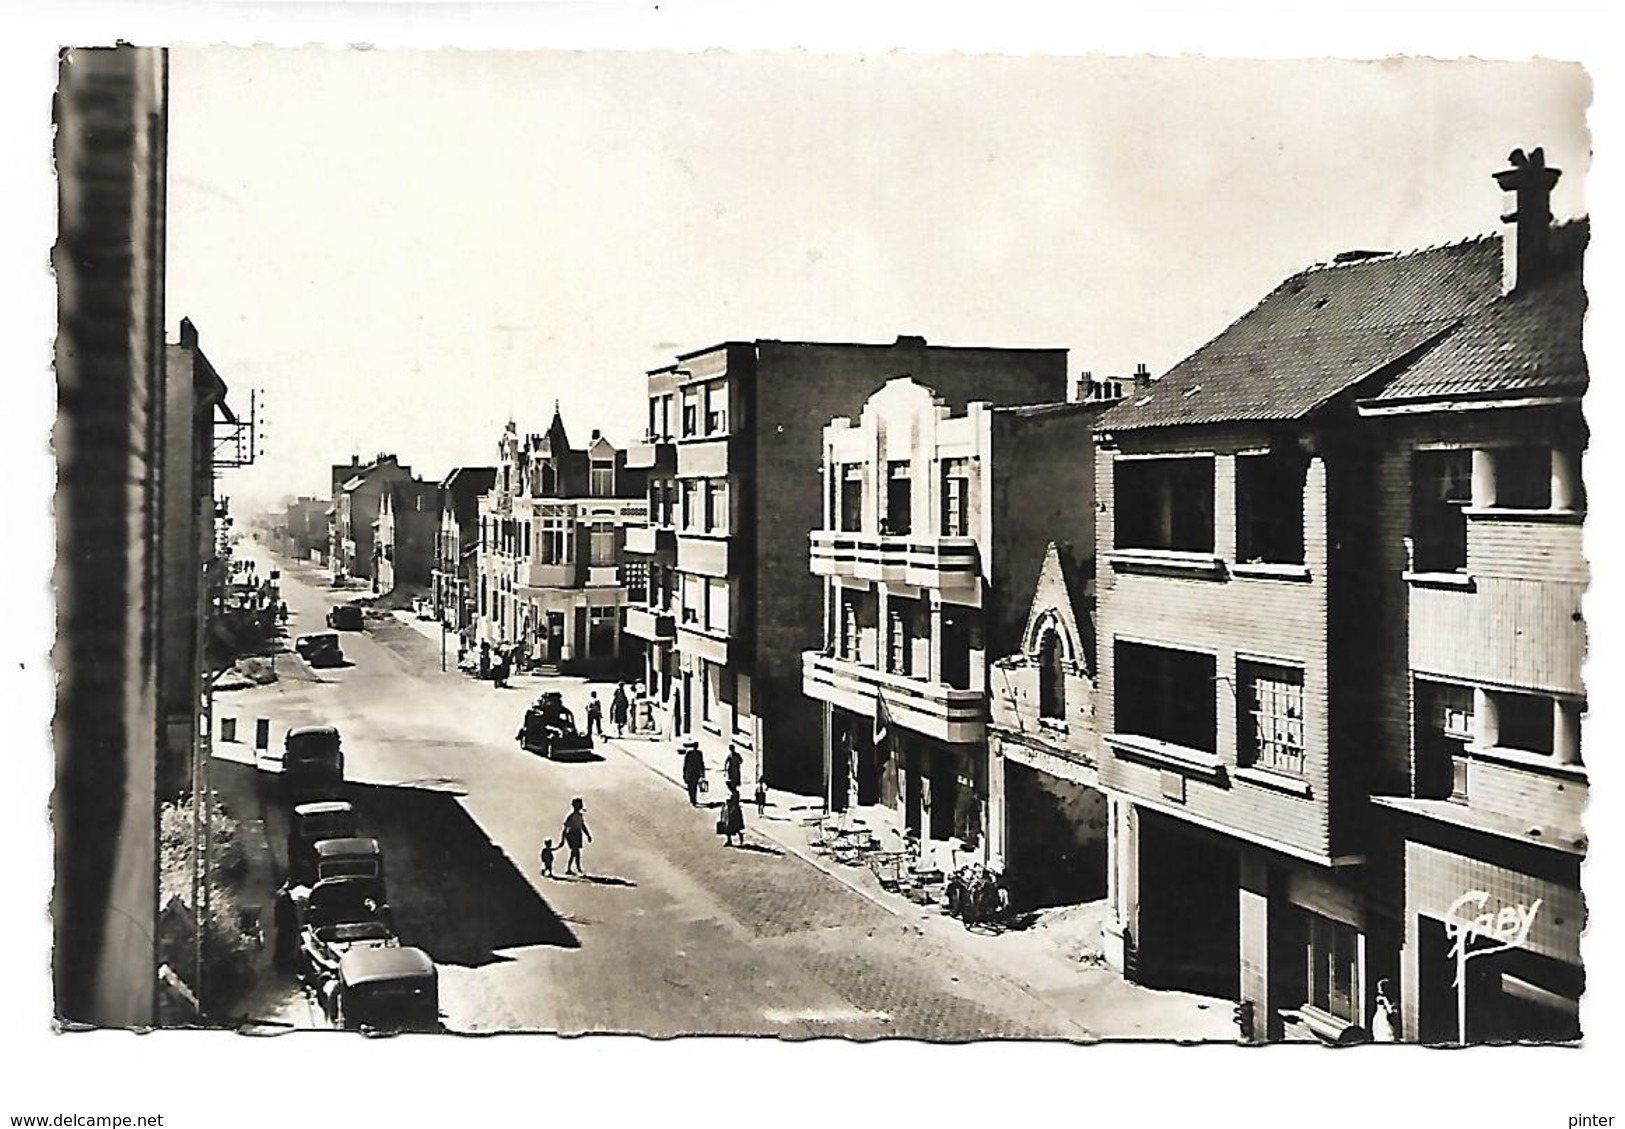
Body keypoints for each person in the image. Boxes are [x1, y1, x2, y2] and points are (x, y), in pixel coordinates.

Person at [560, 798, 591, 876]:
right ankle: (572, 868)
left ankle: (574, 868)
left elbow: (583, 826)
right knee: (574, 851)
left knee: (577, 852)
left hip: (578, 834)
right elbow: (565, 828)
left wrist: (588, 835)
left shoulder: (580, 816)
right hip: (572, 834)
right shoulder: (571, 816)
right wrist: (562, 839)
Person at [681, 740, 706, 807]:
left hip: (692, 773)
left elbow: (701, 763)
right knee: (693, 787)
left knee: (692, 787)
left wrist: (684, 773)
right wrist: (702, 773)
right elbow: (701, 764)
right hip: (693, 773)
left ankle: (693, 799)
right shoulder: (695, 754)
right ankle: (693, 799)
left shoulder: (692, 754)